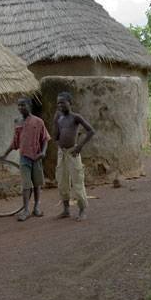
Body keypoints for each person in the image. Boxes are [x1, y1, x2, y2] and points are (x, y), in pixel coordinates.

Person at [4, 98, 50, 221]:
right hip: (24, 158)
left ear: (29, 106)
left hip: (36, 157)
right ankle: (25, 210)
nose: (20, 107)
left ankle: (36, 207)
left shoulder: (38, 121)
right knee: (26, 185)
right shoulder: (18, 121)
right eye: (18, 105)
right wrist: (5, 154)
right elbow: (15, 142)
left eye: (23, 105)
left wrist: (43, 152)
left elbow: (45, 138)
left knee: (37, 184)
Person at [52, 91, 94, 221]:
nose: (60, 105)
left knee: (77, 181)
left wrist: (79, 146)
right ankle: (66, 209)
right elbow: (56, 136)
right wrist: (55, 122)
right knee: (62, 181)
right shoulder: (59, 118)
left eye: (63, 102)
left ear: (70, 103)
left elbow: (91, 131)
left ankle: (82, 210)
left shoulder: (76, 117)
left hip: (73, 152)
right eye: (58, 103)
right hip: (62, 153)